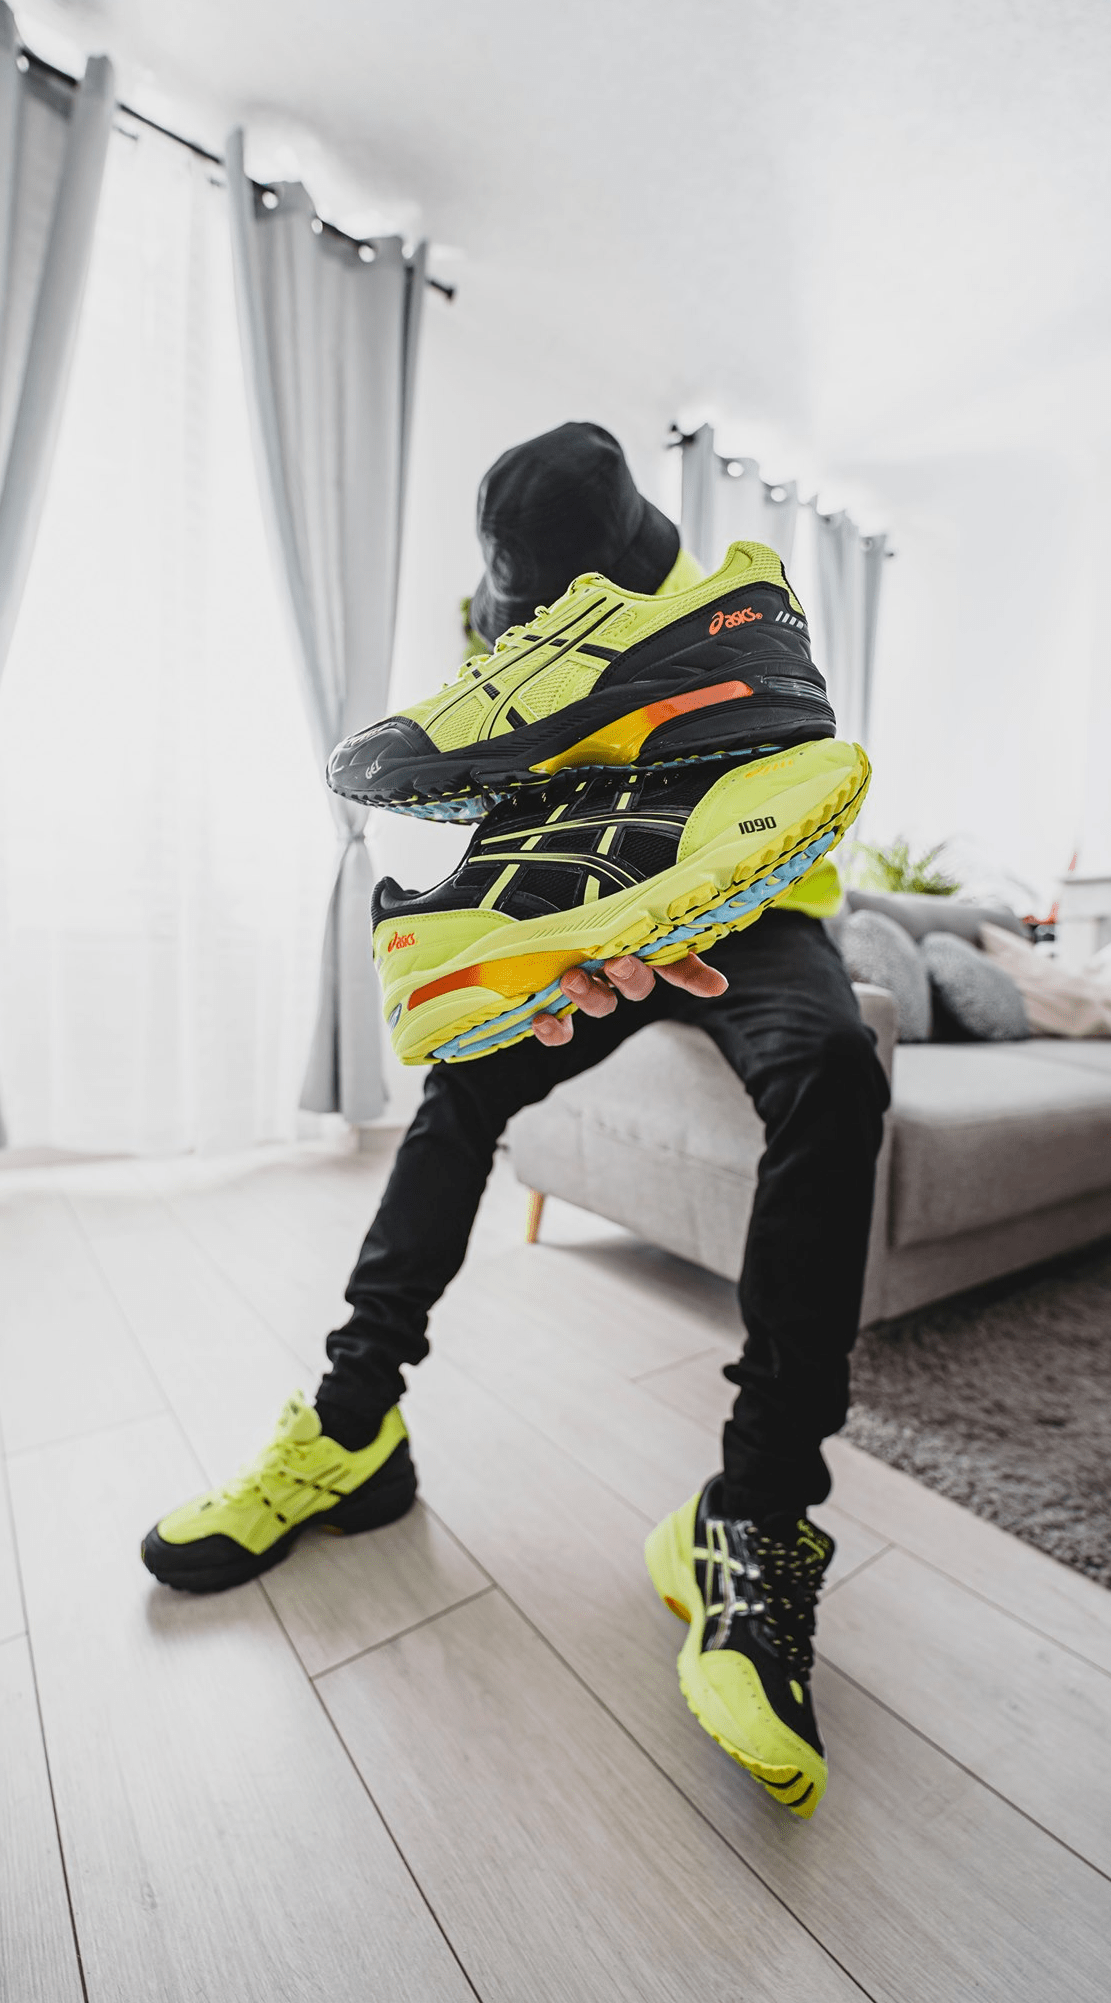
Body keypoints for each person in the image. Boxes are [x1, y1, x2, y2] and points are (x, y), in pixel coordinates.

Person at [142, 423, 890, 1817]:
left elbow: (794, 776)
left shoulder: (716, 604)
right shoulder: (502, 624)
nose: (522, 618)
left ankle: (755, 1512)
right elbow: (508, 807)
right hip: (602, 911)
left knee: (836, 1066)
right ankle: (351, 1428)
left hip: (759, 912)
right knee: (463, 1084)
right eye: (515, 605)